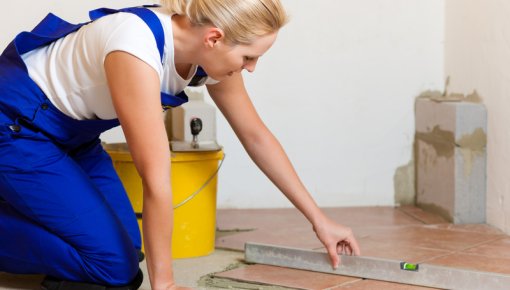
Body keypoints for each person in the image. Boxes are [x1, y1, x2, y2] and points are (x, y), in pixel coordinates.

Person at [0, 0, 361, 289]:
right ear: (215, 38)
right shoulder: (135, 48)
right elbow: (156, 180)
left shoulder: (206, 55)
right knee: (112, 268)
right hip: (16, 128)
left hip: (74, 138)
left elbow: (256, 136)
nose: (251, 68)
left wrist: (319, 219)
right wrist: (166, 283)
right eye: (249, 57)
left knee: (129, 250)